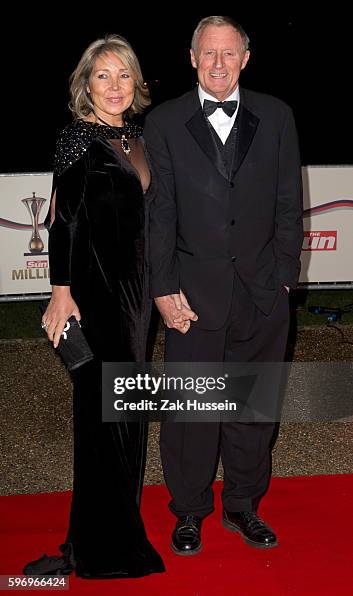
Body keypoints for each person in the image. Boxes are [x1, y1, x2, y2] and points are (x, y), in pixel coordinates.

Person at [144, 16, 303, 555]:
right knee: (191, 413)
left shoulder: (277, 116)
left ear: (245, 59)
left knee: (252, 409)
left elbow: (288, 202)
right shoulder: (163, 123)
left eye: (228, 54)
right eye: (208, 53)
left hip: (262, 292)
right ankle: (189, 510)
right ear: (192, 58)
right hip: (192, 294)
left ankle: (242, 504)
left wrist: (284, 277)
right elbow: (160, 213)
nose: (218, 63)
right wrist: (163, 289)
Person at [23, 34, 165, 579]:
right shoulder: (77, 141)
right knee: (102, 421)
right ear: (85, 85)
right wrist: (61, 290)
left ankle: (115, 533)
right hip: (97, 297)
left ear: (137, 84)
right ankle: (96, 549)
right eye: (101, 76)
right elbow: (62, 220)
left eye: (122, 75)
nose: (113, 86)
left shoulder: (138, 139)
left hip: (135, 302)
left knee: (126, 421)